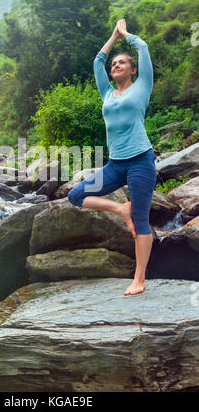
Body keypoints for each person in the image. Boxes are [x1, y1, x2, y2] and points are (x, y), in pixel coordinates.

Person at [68, 19, 157, 296]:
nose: (115, 65)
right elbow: (97, 62)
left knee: (141, 222)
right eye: (114, 63)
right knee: (76, 195)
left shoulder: (142, 86)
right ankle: (121, 209)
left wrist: (125, 34)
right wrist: (112, 36)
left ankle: (139, 278)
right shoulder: (107, 93)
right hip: (116, 166)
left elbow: (142, 46)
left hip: (141, 161)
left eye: (121, 63)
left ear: (133, 69)